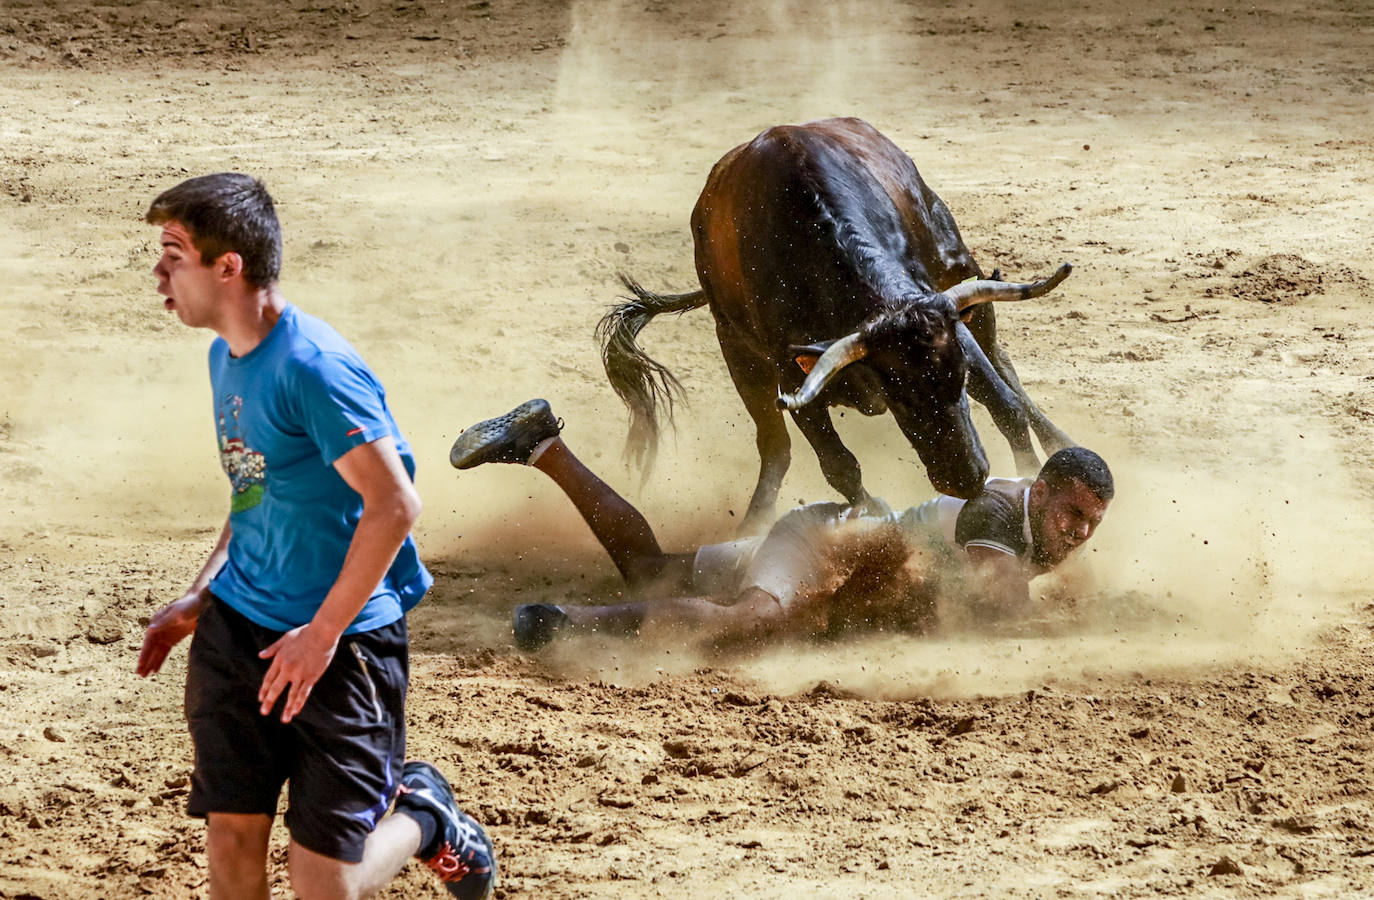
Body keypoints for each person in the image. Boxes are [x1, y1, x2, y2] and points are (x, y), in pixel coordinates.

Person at [133, 173, 496, 900]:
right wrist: (198, 599)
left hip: (345, 648)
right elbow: (254, 496)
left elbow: (394, 504)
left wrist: (321, 634)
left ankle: (423, 813)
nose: (158, 271)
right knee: (232, 842)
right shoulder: (225, 359)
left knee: (321, 885)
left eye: (174, 253)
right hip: (240, 633)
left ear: (226, 266)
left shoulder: (315, 368)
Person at [449, 399, 1113, 652]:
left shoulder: (1038, 530)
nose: (1079, 532)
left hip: (835, 552)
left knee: (651, 570)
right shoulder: (998, 510)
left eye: (1091, 523)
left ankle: (541, 445)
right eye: (1072, 513)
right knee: (754, 619)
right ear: (1042, 489)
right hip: (823, 546)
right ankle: (563, 622)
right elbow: (1003, 611)